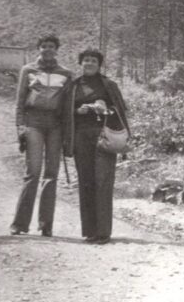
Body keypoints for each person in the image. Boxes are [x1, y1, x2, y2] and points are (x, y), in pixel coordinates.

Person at [62, 48, 130, 245]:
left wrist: (106, 109)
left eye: (93, 60)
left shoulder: (108, 85)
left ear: (99, 64)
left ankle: (103, 232)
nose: (89, 63)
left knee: (103, 182)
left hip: (104, 137)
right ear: (80, 63)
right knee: (86, 182)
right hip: (81, 138)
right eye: (86, 60)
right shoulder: (73, 87)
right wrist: (77, 110)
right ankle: (90, 232)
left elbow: (121, 110)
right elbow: (65, 112)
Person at [10, 34, 73, 237]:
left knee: (51, 175)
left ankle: (46, 225)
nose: (47, 50)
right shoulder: (28, 70)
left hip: (55, 126)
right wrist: (20, 127)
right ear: (38, 48)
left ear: (57, 49)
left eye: (51, 46)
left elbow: (68, 107)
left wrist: (67, 134)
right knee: (33, 173)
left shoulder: (66, 74)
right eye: (44, 46)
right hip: (33, 123)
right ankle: (20, 224)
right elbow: (20, 101)